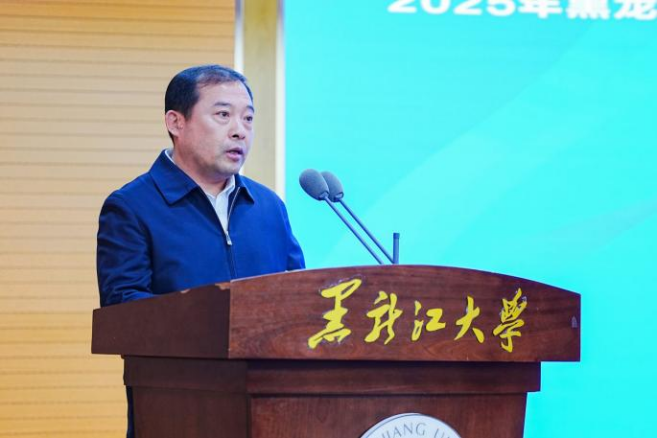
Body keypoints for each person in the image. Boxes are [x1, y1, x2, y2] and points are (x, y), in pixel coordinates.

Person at [96, 65, 305, 437]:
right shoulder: (132, 207)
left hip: (272, 413)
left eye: (248, 118)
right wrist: (221, 324)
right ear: (176, 123)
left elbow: (300, 300)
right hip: (178, 413)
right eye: (223, 115)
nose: (240, 130)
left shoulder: (269, 207)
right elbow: (125, 313)